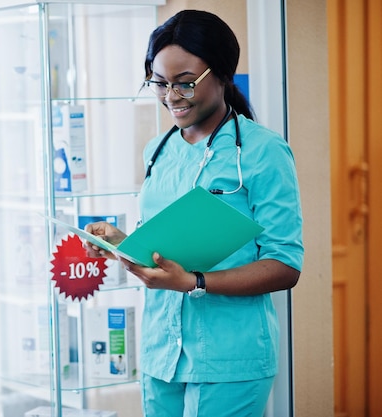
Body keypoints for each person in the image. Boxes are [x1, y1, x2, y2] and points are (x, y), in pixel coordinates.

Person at [84, 9, 304, 417]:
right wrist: (120, 243)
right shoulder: (158, 151)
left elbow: (285, 266)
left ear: (222, 74)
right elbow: (162, 244)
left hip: (229, 357)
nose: (171, 97)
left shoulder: (263, 152)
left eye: (185, 84)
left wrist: (194, 281)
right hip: (160, 353)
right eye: (159, 83)